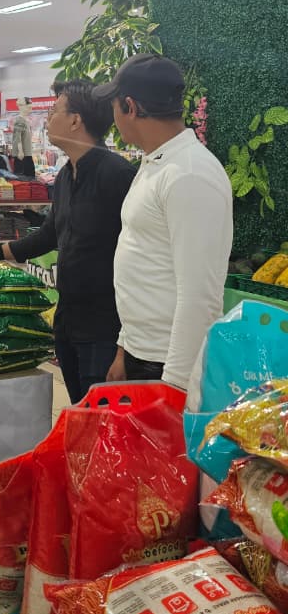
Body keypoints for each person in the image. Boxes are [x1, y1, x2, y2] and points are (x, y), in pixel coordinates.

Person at [0, 80, 136, 403]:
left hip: (105, 331)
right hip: (68, 323)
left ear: (75, 120)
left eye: (54, 111)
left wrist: (125, 348)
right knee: (78, 415)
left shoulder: (118, 176)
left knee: (101, 423)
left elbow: (140, 263)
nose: (47, 119)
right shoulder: (66, 175)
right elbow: (49, 235)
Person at [94, 55, 233, 392]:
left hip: (167, 365)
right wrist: (124, 347)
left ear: (130, 107)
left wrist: (174, 386)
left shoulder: (189, 174)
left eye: (114, 105)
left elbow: (200, 296)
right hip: (141, 353)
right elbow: (145, 258)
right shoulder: (157, 163)